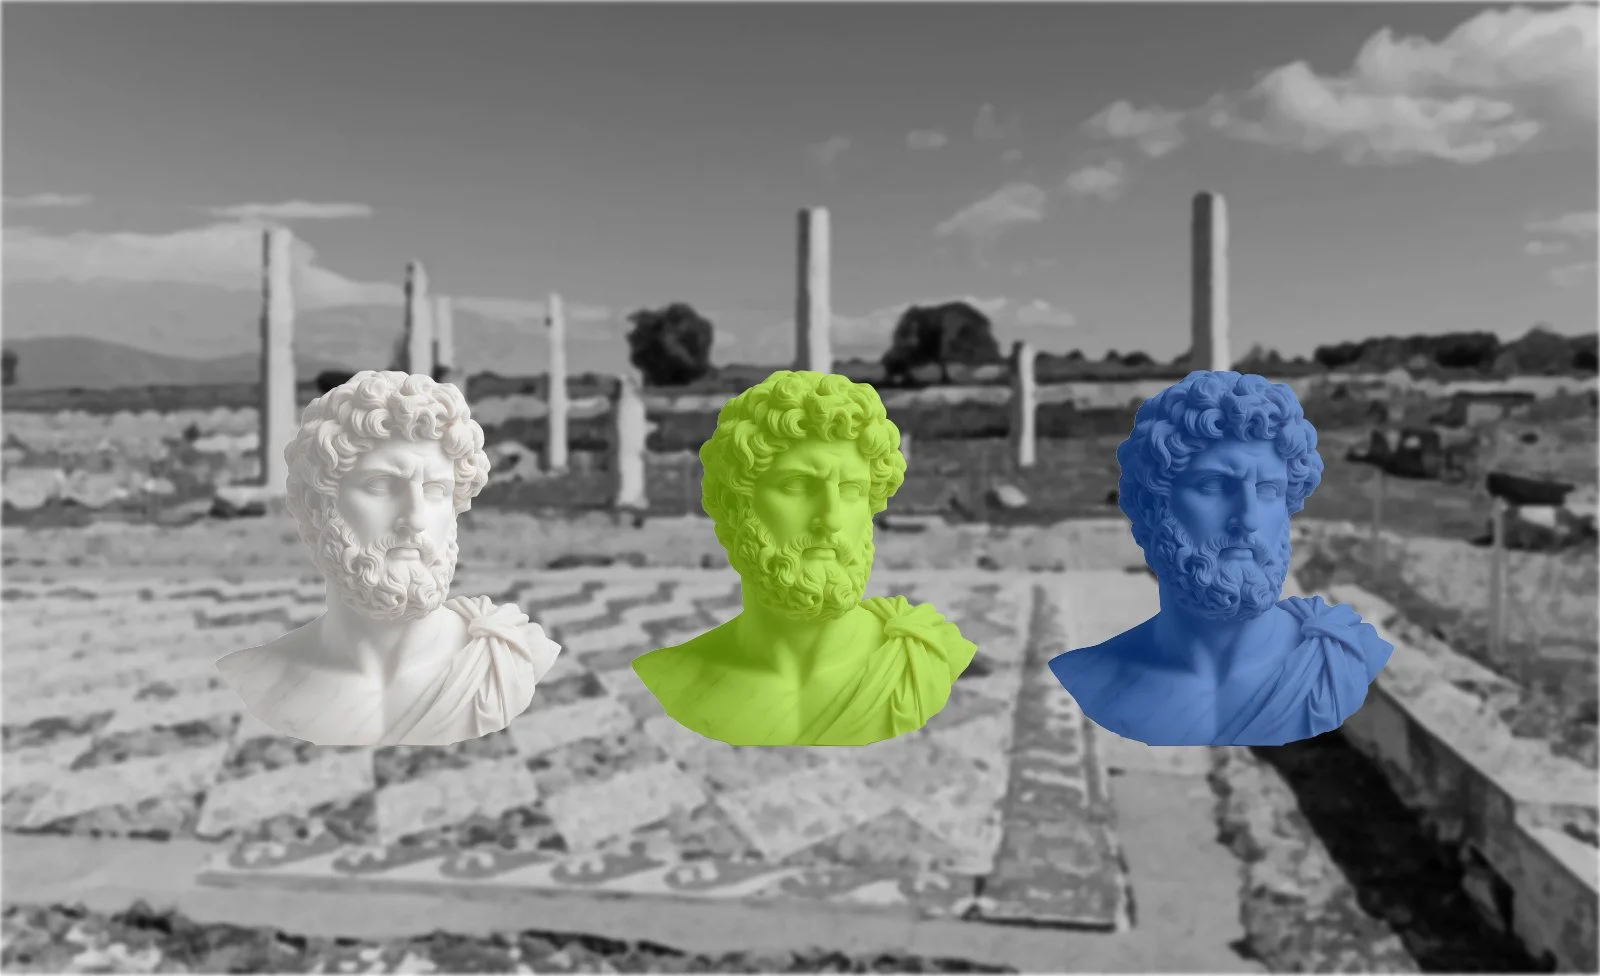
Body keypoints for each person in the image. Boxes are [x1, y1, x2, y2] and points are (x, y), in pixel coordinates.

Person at [215, 370, 561, 746]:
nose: (414, 520)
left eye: (435, 490)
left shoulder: (505, 661)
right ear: (318, 504)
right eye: (380, 486)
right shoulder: (259, 677)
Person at [631, 370, 976, 747]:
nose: (830, 519)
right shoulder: (671, 678)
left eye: (851, 490)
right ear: (735, 504)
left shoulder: (922, 661)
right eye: (797, 486)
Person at [1049, 370, 1392, 747]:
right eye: (1213, 486)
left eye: (1268, 490)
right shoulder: (1091, 679)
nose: (1246, 520)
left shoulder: (1338, 661)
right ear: (1152, 505)